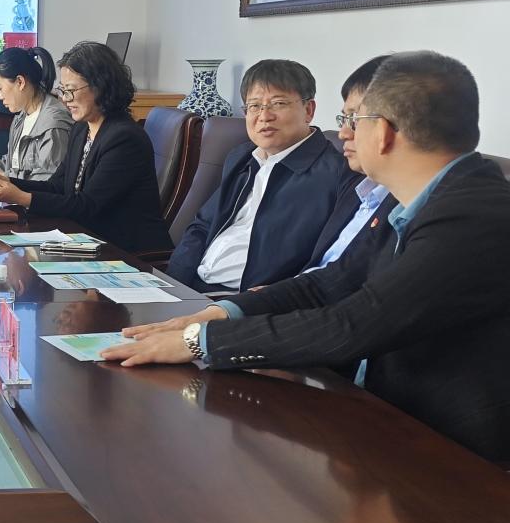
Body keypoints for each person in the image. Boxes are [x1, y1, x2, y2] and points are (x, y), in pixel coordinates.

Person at [102, 51, 510, 465]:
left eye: (352, 119)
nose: (343, 132)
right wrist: (220, 313)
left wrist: (199, 343)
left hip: (450, 451)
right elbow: (329, 282)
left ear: (384, 133)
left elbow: (354, 324)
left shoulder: (472, 214)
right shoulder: (412, 201)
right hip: (378, 416)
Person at [165, 59, 356, 293]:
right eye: (254, 106)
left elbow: (326, 263)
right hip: (193, 289)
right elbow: (201, 227)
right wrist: (173, 287)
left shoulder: (338, 175)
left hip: (246, 300)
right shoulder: (242, 157)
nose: (264, 116)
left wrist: (254, 303)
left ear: (308, 110)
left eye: (278, 103)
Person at [0, 41, 171, 253]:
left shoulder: (124, 138)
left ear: (100, 86)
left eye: (70, 90)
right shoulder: (82, 129)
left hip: (126, 252)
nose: (64, 99)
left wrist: (21, 198)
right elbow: (57, 186)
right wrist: (10, 182)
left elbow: (87, 205)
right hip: (88, 241)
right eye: (63, 90)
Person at [303, 55, 397, 271]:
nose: (343, 134)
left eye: (354, 120)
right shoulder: (357, 186)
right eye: (344, 119)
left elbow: (347, 282)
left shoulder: (414, 207)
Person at [0, 46, 74, 182]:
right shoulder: (21, 117)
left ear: (20, 82)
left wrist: (7, 180)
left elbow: (46, 182)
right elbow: (10, 166)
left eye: (0, 88)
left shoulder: (54, 123)